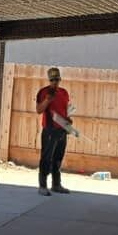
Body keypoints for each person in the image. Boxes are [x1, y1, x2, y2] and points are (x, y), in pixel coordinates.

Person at [35, 67, 72, 196]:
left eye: (56, 79)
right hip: (50, 130)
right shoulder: (43, 92)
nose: (54, 82)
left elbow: (65, 110)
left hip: (62, 129)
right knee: (46, 158)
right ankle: (42, 186)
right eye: (52, 80)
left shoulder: (64, 92)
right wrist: (47, 100)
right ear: (49, 80)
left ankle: (56, 184)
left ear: (60, 79)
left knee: (58, 158)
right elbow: (39, 110)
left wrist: (68, 120)